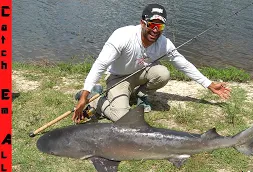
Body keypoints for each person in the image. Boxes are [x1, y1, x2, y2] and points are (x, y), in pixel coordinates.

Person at [72, 3, 231, 123]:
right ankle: (96, 98)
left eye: (160, 26)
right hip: (118, 78)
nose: (155, 30)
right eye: (152, 25)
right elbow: (99, 65)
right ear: (143, 23)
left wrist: (209, 84)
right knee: (122, 118)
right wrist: (84, 96)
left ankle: (140, 94)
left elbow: (183, 64)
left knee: (163, 74)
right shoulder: (122, 36)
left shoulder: (164, 43)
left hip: (141, 74)